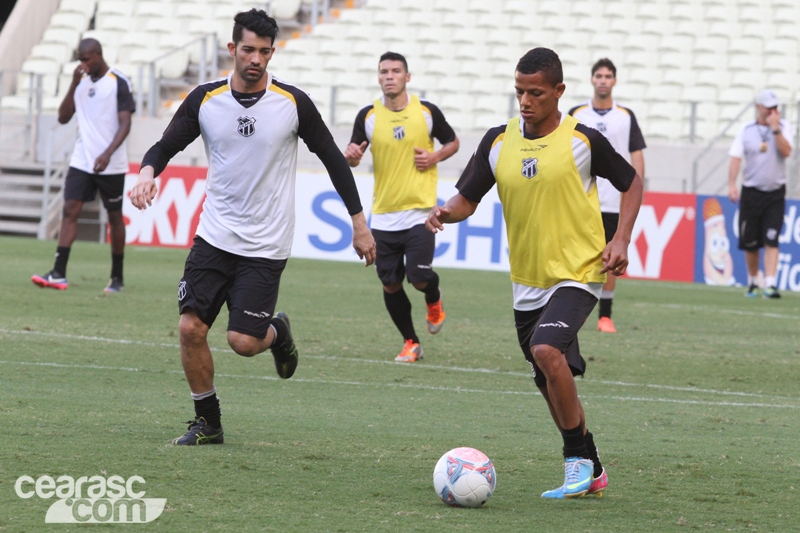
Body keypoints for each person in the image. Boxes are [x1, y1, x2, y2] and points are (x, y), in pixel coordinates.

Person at [129, 9, 376, 445]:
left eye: (264, 51)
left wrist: (359, 222)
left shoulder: (292, 103)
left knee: (243, 342)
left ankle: (277, 332)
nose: (256, 59)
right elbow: (166, 145)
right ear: (233, 49)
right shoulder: (205, 100)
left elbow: (333, 159)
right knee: (190, 329)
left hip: (266, 243)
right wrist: (147, 172)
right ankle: (209, 423)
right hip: (214, 235)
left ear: (272, 53)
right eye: (248, 50)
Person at [426, 48, 643, 499]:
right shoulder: (497, 141)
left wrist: (621, 239)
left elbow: (631, 182)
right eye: (519, 92)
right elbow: (467, 199)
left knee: (546, 349)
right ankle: (593, 467)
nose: (525, 101)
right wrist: (446, 212)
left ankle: (574, 459)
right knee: (547, 378)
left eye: (536, 93)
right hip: (527, 280)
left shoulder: (582, 140)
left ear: (559, 91)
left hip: (579, 271)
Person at [344, 52, 459, 362]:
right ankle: (411, 342)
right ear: (378, 77)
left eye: (396, 71)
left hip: (421, 212)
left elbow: (453, 142)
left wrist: (435, 157)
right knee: (390, 283)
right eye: (384, 71)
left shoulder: (426, 112)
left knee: (419, 277)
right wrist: (351, 157)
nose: (389, 76)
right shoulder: (368, 116)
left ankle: (433, 299)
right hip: (383, 215)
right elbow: (353, 156)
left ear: (407, 77)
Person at [32, 38, 134, 292]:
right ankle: (58, 273)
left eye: (86, 59)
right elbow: (63, 117)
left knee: (114, 216)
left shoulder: (118, 82)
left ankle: (117, 277)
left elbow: (125, 124)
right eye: (79, 60)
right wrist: (73, 84)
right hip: (82, 159)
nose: (83, 64)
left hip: (111, 162)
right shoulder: (81, 82)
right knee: (69, 210)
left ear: (98, 55)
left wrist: (108, 153)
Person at [568, 58, 646, 333]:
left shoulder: (625, 116)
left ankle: (605, 316)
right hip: (581, 199)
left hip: (613, 200)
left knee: (610, 257)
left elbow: (636, 156)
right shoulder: (576, 113)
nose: (603, 80)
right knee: (577, 257)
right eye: (599, 75)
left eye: (608, 76)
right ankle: (575, 312)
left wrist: (636, 188)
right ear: (592, 80)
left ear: (614, 81)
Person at [728, 89, 793, 299]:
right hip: (751, 191)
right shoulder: (746, 129)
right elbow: (736, 157)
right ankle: (753, 281)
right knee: (751, 241)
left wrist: (775, 129)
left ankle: (771, 284)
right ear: (758, 107)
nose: (773, 111)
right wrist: (731, 184)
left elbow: (786, 151)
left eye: (775, 107)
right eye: (768, 107)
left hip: (775, 192)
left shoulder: (784, 127)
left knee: (772, 239)